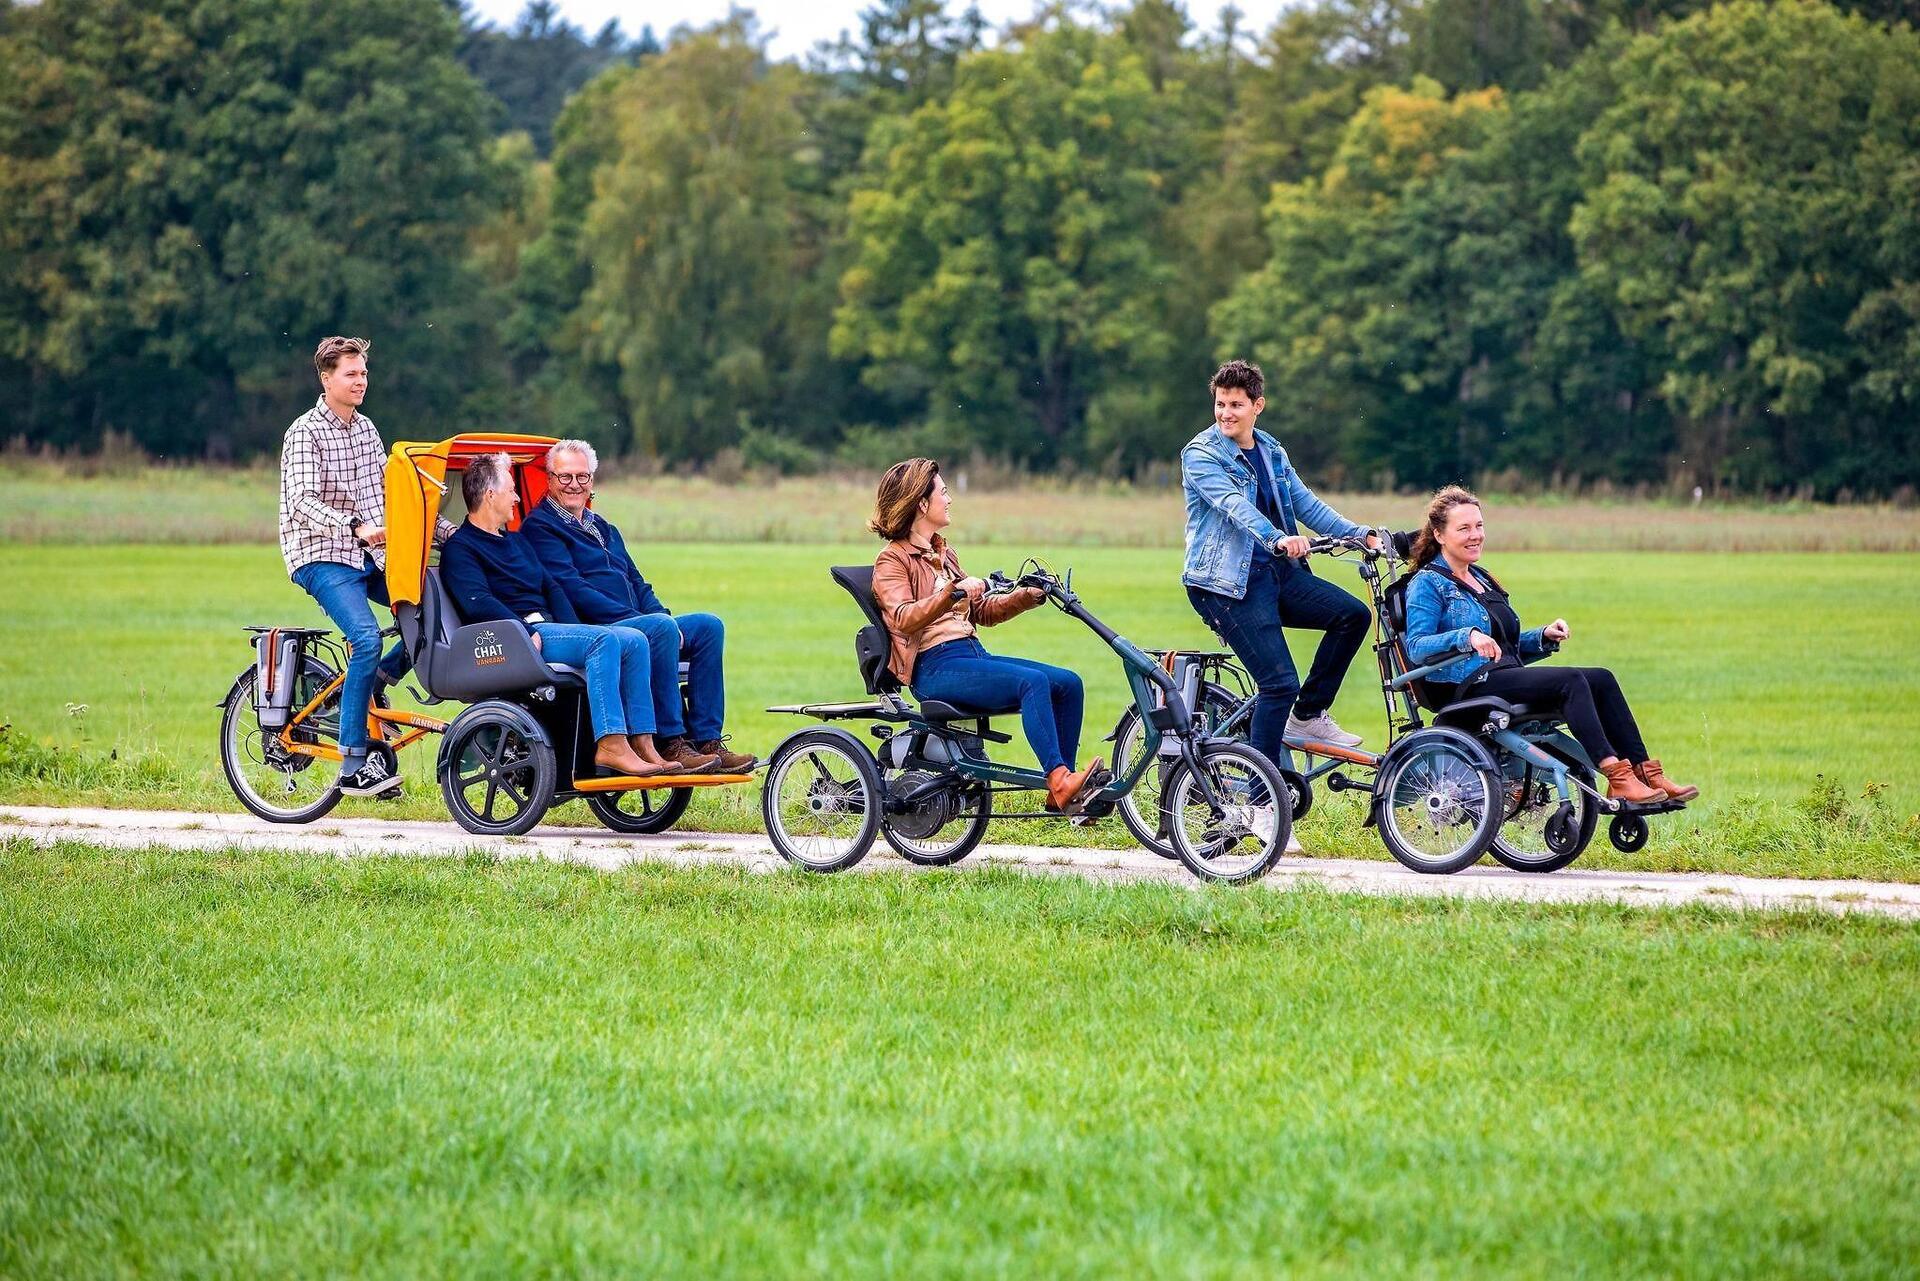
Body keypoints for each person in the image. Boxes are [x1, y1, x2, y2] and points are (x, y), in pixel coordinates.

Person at [1401, 486, 1698, 805]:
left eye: (1479, 526)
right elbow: (1417, 647)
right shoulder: (1427, 583)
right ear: (1440, 535)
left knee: (1601, 677)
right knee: (1570, 681)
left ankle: (1646, 773)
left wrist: (1542, 637)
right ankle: (1617, 776)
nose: (1476, 535)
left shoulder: (1482, 578)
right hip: (1464, 686)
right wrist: (1467, 636)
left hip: (1499, 676)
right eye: (1464, 528)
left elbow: (1505, 646)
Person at [438, 453, 695, 779]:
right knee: (605, 640)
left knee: (633, 638)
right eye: (511, 491)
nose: (517, 497)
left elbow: (552, 587)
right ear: (490, 496)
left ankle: (643, 742)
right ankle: (611, 744)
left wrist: (575, 627)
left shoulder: (515, 541)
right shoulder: (462, 549)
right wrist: (519, 629)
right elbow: (478, 602)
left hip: (549, 629)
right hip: (519, 636)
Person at [870, 458, 1103, 813]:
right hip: (934, 668)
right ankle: (1057, 779)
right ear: (921, 503)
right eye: (943, 492)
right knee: (1032, 683)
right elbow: (902, 618)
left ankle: (1065, 789)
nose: (949, 499)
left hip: (970, 655)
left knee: (1068, 683)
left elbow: (981, 612)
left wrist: (1026, 597)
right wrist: (953, 592)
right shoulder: (892, 561)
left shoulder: (944, 554)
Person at [1181, 359, 1381, 771]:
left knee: (1352, 616)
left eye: (1235, 404)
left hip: (1275, 574)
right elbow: (1233, 506)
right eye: (1220, 404)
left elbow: (1307, 504)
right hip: (1224, 585)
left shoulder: (1271, 451)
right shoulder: (1200, 454)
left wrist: (1359, 534)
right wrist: (1277, 538)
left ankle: (1307, 716)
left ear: (1258, 405)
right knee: (1278, 684)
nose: (1225, 414)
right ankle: (1262, 800)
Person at [279, 335, 453, 798]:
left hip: (367, 553)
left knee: (427, 615)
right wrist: (353, 525)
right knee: (364, 637)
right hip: (320, 555)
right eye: (351, 374)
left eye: (364, 374)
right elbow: (301, 502)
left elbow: (397, 493)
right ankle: (354, 762)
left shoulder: (366, 430)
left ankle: (376, 679)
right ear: (326, 378)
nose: (361, 382)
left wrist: (452, 532)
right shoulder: (305, 432)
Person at [519, 439, 753, 773]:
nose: (575, 485)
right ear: (550, 479)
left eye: (582, 477)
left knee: (708, 626)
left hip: (638, 621)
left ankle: (708, 741)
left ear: (592, 481)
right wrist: (644, 621)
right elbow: (573, 588)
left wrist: (663, 616)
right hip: (596, 628)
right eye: (565, 477)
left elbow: (637, 582)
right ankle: (673, 741)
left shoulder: (604, 527)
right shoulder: (540, 528)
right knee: (658, 629)